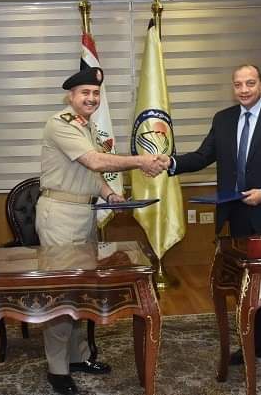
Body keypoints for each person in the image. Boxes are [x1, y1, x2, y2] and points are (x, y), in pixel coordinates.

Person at [165, 64, 261, 373]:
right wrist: (171, 162)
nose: (244, 89)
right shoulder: (223, 119)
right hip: (238, 217)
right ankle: (254, 345)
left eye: (250, 83)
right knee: (247, 286)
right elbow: (203, 156)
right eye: (238, 84)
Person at [36, 66, 168, 395]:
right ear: (71, 96)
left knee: (80, 289)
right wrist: (141, 161)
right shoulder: (60, 124)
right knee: (62, 292)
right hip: (60, 215)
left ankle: (78, 357)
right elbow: (95, 161)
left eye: (96, 93)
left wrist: (109, 194)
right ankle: (57, 370)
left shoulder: (87, 126)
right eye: (85, 93)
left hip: (84, 213)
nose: (92, 98)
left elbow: (90, 173)